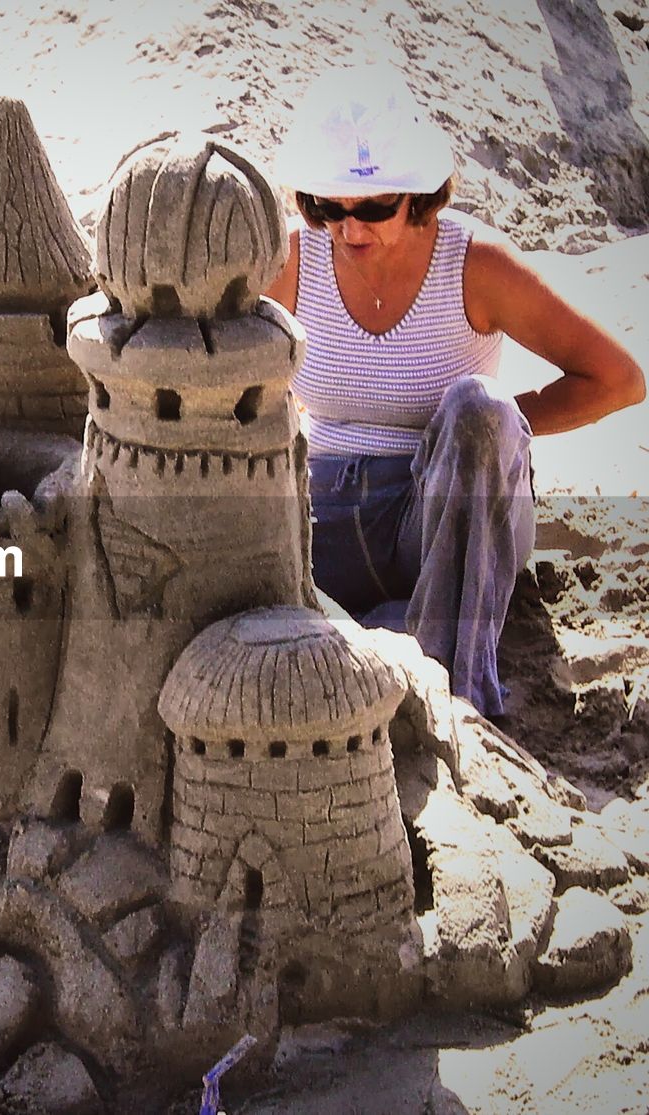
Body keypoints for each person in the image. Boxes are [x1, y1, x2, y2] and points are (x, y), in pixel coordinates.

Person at [265, 65, 644, 717]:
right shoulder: (294, 258)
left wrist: (485, 433)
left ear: (419, 196)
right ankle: (396, 629)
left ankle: (452, 679)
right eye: (330, 208)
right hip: (329, 509)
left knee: (480, 406)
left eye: (376, 207)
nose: (351, 230)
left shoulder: (475, 264)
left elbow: (618, 379)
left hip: (443, 514)